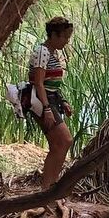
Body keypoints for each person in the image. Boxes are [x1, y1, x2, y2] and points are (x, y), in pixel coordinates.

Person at [28, 16, 74, 190]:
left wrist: (63, 101)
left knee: (59, 143)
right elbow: (39, 82)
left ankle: (50, 186)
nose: (66, 41)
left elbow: (51, 81)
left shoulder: (52, 53)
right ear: (54, 35)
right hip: (42, 100)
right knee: (64, 140)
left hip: (51, 99)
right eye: (64, 37)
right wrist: (46, 109)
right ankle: (47, 188)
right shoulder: (42, 52)